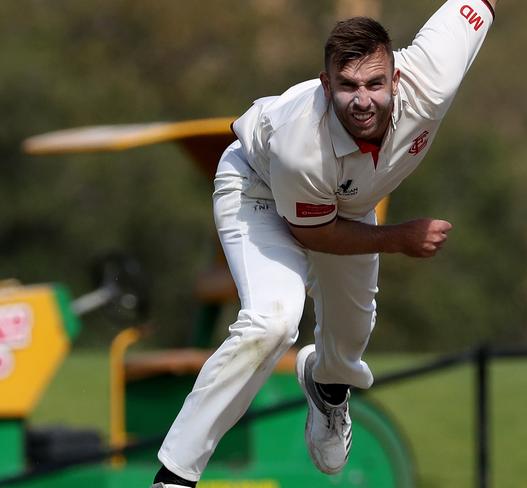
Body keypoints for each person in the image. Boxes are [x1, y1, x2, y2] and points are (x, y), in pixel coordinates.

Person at [152, 0, 496, 485]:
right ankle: (175, 475)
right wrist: (399, 238)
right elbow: (313, 234)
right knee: (272, 323)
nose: (362, 100)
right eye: (347, 86)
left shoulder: (433, 79)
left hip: (345, 206)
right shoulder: (301, 142)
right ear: (324, 83)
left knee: (350, 340)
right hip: (259, 188)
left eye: (375, 84)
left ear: (396, 78)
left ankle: (329, 387)